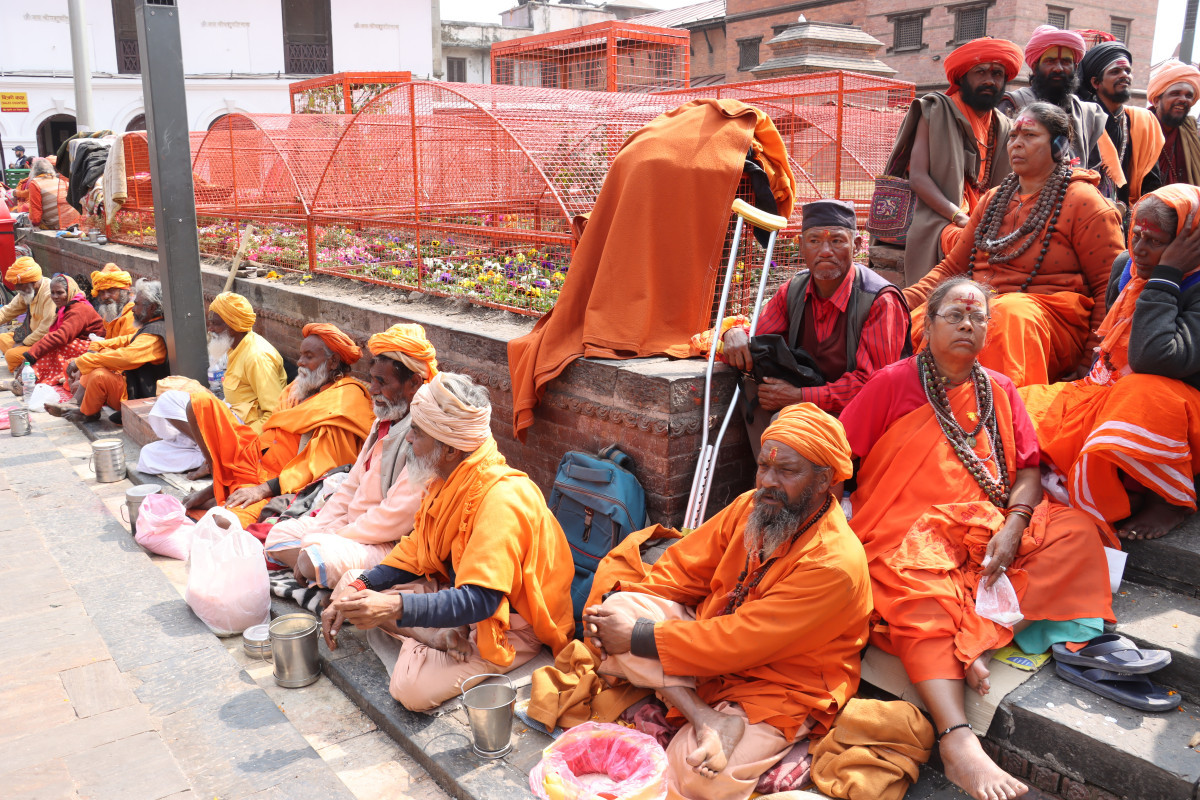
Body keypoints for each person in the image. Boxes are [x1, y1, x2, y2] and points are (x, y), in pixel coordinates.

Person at [841, 276, 1114, 800]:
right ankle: (957, 739)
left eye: (978, 318)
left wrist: (1014, 525)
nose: (969, 325)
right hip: (910, 531)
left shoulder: (1001, 388)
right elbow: (837, 458)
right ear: (928, 327)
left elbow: (1029, 471)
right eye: (955, 316)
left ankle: (972, 636)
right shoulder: (892, 383)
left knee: (1077, 532)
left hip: (989, 524)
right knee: (916, 586)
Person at [582, 404, 870, 800]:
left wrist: (635, 639)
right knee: (611, 612)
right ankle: (704, 716)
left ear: (824, 481)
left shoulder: (834, 563)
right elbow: (680, 568)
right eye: (764, 467)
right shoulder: (753, 505)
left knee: (695, 778)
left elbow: (739, 642)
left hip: (777, 686)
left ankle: (769, 742)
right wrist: (625, 610)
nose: (769, 481)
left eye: (787, 471)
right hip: (708, 649)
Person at [321, 372, 574, 712]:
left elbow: (482, 600)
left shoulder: (502, 498)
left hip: (510, 625)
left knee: (410, 689)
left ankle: (427, 635)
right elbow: (414, 549)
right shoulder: (449, 478)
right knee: (351, 587)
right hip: (455, 594)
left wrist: (393, 608)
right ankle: (432, 635)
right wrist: (363, 584)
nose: (408, 439)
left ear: (450, 448)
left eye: (417, 433)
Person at [1020, 186, 1200, 544]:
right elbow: (1111, 349)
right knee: (1019, 406)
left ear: (1188, 248)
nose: (1141, 249)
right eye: (1136, 235)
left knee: (1140, 391)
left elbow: (1153, 356)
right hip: (1115, 391)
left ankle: (1170, 497)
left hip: (1177, 414)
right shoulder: (1127, 266)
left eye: (1156, 241)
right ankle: (1123, 486)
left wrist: (1167, 275)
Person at [904, 102, 1125, 386]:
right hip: (981, 309)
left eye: (1030, 136)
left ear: (1059, 146)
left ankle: (1000, 418)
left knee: (1006, 316)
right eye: (1013, 136)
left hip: (1043, 325)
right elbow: (952, 269)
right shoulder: (995, 198)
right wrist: (898, 301)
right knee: (921, 319)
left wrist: (1089, 363)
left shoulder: (1086, 202)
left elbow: (1109, 289)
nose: (1017, 144)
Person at [264, 324, 438, 588]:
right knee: (278, 535)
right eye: (372, 380)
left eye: (383, 382)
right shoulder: (384, 421)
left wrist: (334, 537)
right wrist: (322, 527)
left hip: (385, 543)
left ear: (414, 383)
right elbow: (350, 485)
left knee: (314, 557)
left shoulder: (421, 436)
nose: (372, 390)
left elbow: (395, 517)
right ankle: (323, 575)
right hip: (349, 527)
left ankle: (323, 574)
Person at [718, 199, 910, 418]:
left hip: (865, 415)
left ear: (856, 246)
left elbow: (875, 385)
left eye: (837, 241)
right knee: (754, 395)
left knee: (783, 426)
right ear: (801, 246)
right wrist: (733, 334)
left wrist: (802, 396)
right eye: (814, 241)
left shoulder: (880, 300)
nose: (825, 251)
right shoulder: (792, 291)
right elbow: (761, 341)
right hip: (809, 406)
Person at [177, 323, 375, 528]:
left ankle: (227, 493)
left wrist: (261, 490)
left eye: (309, 356)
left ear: (333, 361)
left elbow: (322, 466)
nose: (300, 362)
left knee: (224, 522)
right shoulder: (301, 386)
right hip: (251, 456)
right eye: (301, 355)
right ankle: (218, 483)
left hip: (279, 481)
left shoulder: (347, 397)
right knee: (200, 403)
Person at [887, 37, 1023, 283]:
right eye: (980, 72)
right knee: (973, 246)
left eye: (997, 74)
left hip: (985, 217)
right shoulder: (936, 110)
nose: (990, 80)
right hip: (937, 216)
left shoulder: (1004, 126)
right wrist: (958, 216)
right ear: (961, 78)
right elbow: (918, 177)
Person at [139, 292, 288, 478]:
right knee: (149, 455)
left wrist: (243, 442)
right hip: (229, 417)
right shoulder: (236, 346)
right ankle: (210, 451)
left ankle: (215, 455)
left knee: (168, 400)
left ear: (233, 326)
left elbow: (274, 414)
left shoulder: (257, 357)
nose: (210, 329)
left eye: (215, 323)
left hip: (242, 430)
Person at [45, 279, 169, 423]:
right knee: (94, 361)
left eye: (137, 305)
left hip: (141, 395)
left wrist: (88, 360)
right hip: (130, 382)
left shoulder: (154, 334)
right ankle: (79, 404)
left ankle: (86, 412)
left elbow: (126, 357)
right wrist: (99, 347)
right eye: (102, 292)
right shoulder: (151, 325)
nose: (133, 309)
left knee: (98, 375)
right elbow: (127, 339)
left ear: (152, 307)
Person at [1000, 26, 1109, 173]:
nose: (1058, 68)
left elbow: (1094, 168)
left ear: (1075, 67)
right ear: (1034, 67)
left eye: (1065, 62)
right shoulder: (1012, 104)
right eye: (1050, 61)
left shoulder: (1089, 113)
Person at [1076, 41, 1163, 211]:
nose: (1125, 76)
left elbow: (1151, 182)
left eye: (1127, 71)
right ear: (1095, 83)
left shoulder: (1144, 121)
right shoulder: (1081, 119)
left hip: (1129, 217)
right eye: (1115, 72)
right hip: (1084, 212)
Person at [16, 274, 104, 393]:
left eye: (60, 293)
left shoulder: (79, 309)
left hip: (94, 348)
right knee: (48, 345)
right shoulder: (67, 307)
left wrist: (30, 356)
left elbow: (61, 336)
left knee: (56, 346)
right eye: (52, 293)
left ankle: (29, 381)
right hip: (79, 345)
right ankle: (29, 379)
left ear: (70, 292)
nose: (55, 297)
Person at [0, 256, 55, 377]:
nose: (16, 289)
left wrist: (24, 343)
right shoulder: (26, 291)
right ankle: (24, 360)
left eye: (19, 285)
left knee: (10, 355)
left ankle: (30, 364)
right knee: (3, 338)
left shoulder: (50, 293)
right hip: (31, 336)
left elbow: (45, 330)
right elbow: (7, 312)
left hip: (45, 343)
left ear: (33, 282)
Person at [1148, 59, 1200, 186]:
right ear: (1156, 101)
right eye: (1175, 93)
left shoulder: (1193, 135)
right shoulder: (1138, 128)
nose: (1183, 99)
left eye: (1188, 96)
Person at [27, 157, 80, 231]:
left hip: (55, 225)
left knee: (29, 217)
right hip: (73, 221)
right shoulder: (61, 182)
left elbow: (36, 210)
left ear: (34, 171)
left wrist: (35, 224)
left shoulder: (35, 183)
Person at [90, 263, 136, 339]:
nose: (105, 296)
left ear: (123, 291)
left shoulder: (133, 313)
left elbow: (127, 347)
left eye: (111, 291)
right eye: (102, 292)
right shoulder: (109, 311)